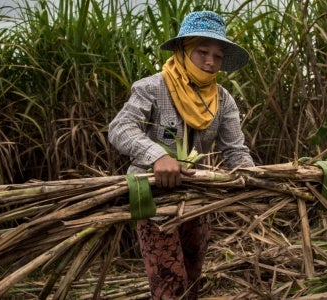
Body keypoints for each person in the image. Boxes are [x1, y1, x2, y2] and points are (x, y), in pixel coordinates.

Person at [108, 10, 254, 299]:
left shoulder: (222, 99)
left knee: (192, 274)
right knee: (168, 281)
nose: (211, 62)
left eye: (218, 55)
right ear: (182, 50)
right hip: (153, 197)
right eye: (202, 52)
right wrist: (156, 156)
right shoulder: (152, 88)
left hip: (196, 196)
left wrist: (253, 177)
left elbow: (235, 149)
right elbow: (120, 128)